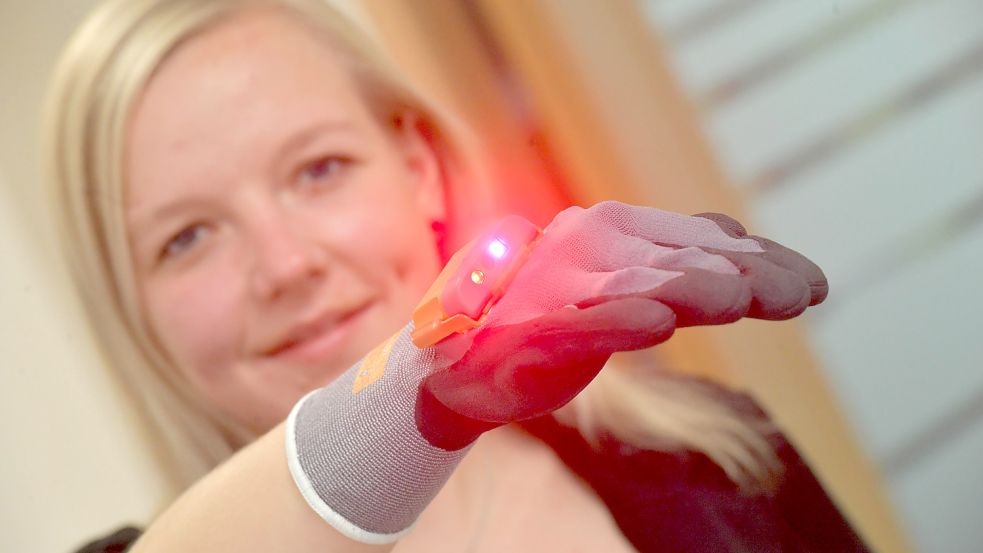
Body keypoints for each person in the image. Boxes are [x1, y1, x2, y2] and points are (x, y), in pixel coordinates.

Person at [45, 0, 868, 551]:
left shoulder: (721, 456)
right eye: (186, 238)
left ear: (420, 171)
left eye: (320, 169)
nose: (286, 266)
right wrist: (417, 397)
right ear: (134, 308)